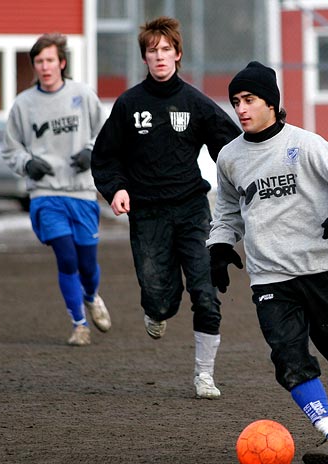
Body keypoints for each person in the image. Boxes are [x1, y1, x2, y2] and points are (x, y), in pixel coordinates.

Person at [206, 61, 328, 464]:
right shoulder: (231, 157)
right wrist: (218, 246)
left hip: (321, 270)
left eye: (249, 100)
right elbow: (227, 211)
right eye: (236, 101)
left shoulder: (306, 145)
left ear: (271, 102)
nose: (241, 109)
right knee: (289, 358)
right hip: (270, 278)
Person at [91, 17, 241, 398]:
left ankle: (204, 376)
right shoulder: (129, 104)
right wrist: (117, 189)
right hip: (148, 215)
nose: (159, 56)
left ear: (177, 53)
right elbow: (106, 158)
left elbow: (230, 146)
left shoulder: (194, 102)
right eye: (152, 50)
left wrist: (257, 156)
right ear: (144, 57)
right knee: (160, 298)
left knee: (205, 292)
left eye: (165, 49)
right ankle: (156, 311)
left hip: (193, 210)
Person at [2, 33, 111, 347]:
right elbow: (11, 150)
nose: (45, 66)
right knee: (66, 259)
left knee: (87, 265)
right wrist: (27, 164)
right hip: (45, 194)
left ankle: (91, 296)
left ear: (61, 63)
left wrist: (91, 152)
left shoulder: (83, 95)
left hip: (81, 192)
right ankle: (79, 324)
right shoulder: (23, 105)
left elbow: (104, 135)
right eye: (39, 61)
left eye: (50, 60)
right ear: (34, 66)